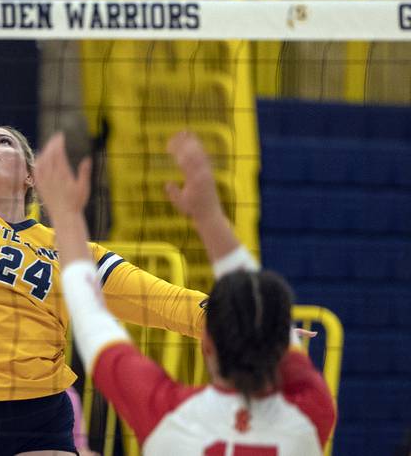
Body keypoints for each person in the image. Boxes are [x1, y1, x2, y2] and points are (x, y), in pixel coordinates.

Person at [0, 34, 210, 455]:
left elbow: (158, 299)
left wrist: (237, 323)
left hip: (37, 410)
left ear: (30, 175)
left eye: (2, 142)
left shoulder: (68, 248)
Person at [35, 131, 337, 455]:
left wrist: (66, 217)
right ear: (285, 348)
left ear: (207, 344)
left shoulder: (169, 414)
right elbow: (91, 320)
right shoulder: (312, 412)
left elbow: (90, 320)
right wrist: (209, 216)